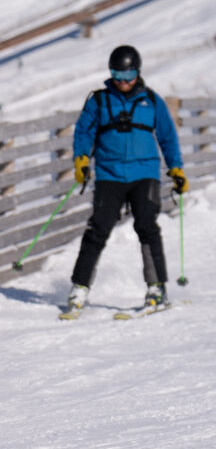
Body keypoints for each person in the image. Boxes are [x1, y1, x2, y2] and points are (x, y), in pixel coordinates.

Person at [64, 44, 189, 316]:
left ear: (138, 72)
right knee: (98, 229)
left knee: (147, 227)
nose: (123, 81)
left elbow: (168, 137)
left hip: (145, 174)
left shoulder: (152, 101)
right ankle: (79, 287)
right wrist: (81, 159)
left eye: (128, 75)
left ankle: (156, 288)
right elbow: (83, 133)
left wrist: (176, 168)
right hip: (110, 174)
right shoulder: (98, 101)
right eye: (117, 75)